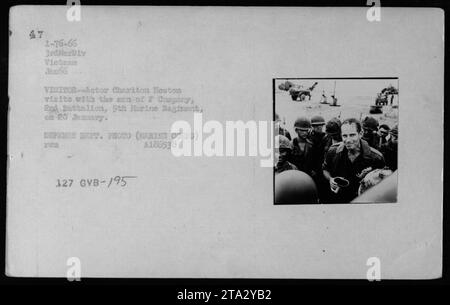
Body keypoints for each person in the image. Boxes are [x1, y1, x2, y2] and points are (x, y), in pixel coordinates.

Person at [322, 118, 385, 203]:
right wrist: (330, 179)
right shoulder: (333, 151)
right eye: (344, 136)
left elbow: (382, 183)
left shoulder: (376, 157)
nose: (348, 140)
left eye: (352, 135)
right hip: (338, 200)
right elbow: (325, 169)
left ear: (360, 134)